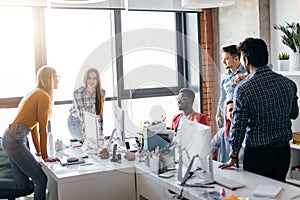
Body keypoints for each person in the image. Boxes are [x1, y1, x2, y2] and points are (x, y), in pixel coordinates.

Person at [219, 38, 299, 182]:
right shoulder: (289, 84)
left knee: (256, 194)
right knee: (278, 192)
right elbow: (294, 114)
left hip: (257, 154)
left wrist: (233, 155)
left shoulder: (243, 89)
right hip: (283, 153)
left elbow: (238, 126)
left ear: (246, 60)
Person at [2, 66, 60, 200]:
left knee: (22, 185)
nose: (58, 80)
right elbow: (42, 129)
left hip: (10, 138)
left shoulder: (36, 93)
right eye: (56, 77)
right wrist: (45, 156)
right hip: (15, 140)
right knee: (41, 180)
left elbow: (34, 127)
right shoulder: (43, 96)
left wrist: (39, 152)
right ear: (49, 78)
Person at [68, 68, 105, 139]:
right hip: (76, 121)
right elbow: (82, 116)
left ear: (98, 80)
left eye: (94, 78)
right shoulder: (78, 93)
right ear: (86, 79)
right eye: (89, 78)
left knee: (96, 142)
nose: (91, 81)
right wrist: (87, 137)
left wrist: (100, 134)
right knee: (85, 145)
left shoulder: (102, 92)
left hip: (91, 119)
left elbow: (99, 114)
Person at [216, 45, 246, 129]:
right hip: (227, 117)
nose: (223, 62)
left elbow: (269, 66)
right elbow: (223, 96)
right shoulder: (224, 77)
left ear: (236, 59)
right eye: (223, 59)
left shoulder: (247, 73)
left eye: (227, 59)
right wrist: (218, 114)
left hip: (242, 116)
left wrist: (246, 75)